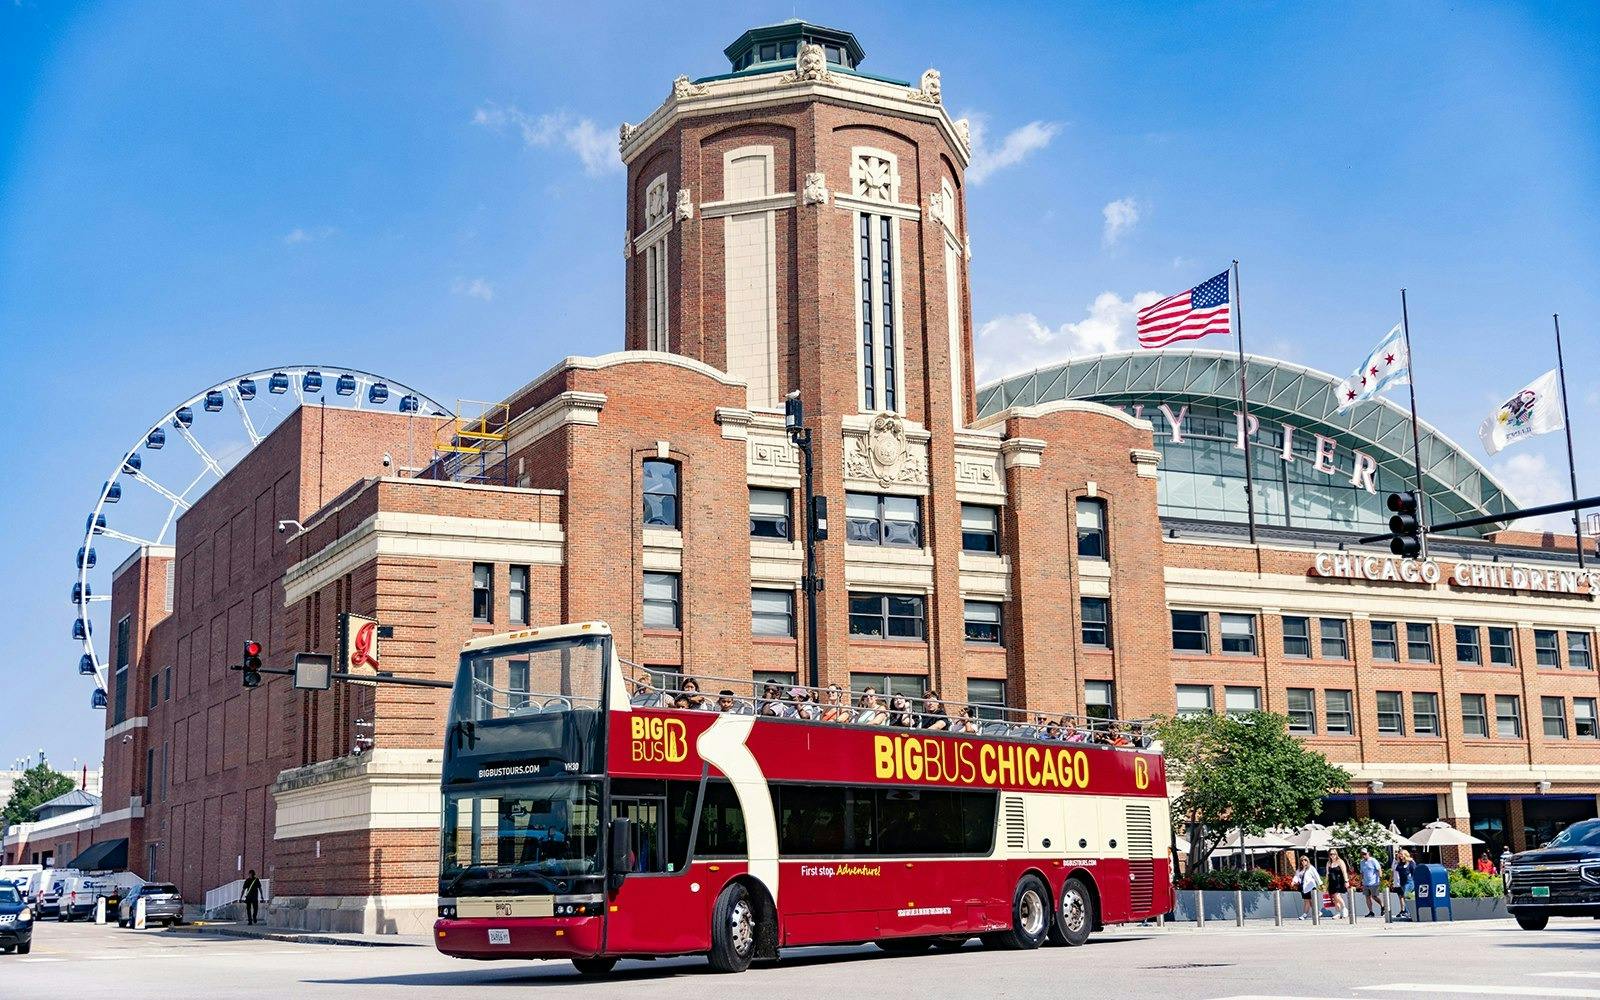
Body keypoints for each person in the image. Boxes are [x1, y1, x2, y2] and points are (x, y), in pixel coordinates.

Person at [1291, 856, 1321, 921]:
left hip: (1311, 887)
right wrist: (1293, 881)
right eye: (1302, 860)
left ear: (1307, 861)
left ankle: (1304, 915)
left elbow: (1316, 876)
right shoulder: (1299, 870)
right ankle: (1317, 912)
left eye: (1305, 860)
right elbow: (1296, 876)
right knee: (1309, 901)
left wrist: (1320, 884)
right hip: (1303, 887)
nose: (1303, 861)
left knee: (1307, 901)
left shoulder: (1311, 868)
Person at [1358, 848, 1385, 918]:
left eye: (1365, 854)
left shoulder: (1373, 860)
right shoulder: (1361, 862)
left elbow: (1379, 870)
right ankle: (1371, 912)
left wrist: (1380, 879)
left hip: (1374, 882)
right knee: (1367, 897)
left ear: (1368, 853)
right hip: (1366, 883)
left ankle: (1382, 906)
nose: (1363, 855)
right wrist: (1360, 881)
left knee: (1374, 896)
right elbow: (1361, 873)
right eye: (1362, 854)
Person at [1325, 849, 1349, 919]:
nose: (1332, 855)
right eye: (1331, 854)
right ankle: (1338, 912)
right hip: (1331, 882)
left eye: (1334, 854)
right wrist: (1326, 884)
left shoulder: (1340, 861)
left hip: (1339, 881)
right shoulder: (1328, 863)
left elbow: (1344, 872)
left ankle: (1344, 908)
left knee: (1337, 896)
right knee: (1334, 898)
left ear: (1336, 854)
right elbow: (1327, 874)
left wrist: (1346, 881)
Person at [1393, 849, 1416, 920]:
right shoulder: (1400, 863)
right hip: (1402, 882)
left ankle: (1408, 912)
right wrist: (1397, 860)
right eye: (1399, 854)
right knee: (1405, 897)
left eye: (1401, 854)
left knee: (1406, 895)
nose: (1400, 855)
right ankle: (1408, 912)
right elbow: (1396, 869)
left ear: (1405, 855)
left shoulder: (1411, 862)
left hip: (1409, 881)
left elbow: (1414, 871)